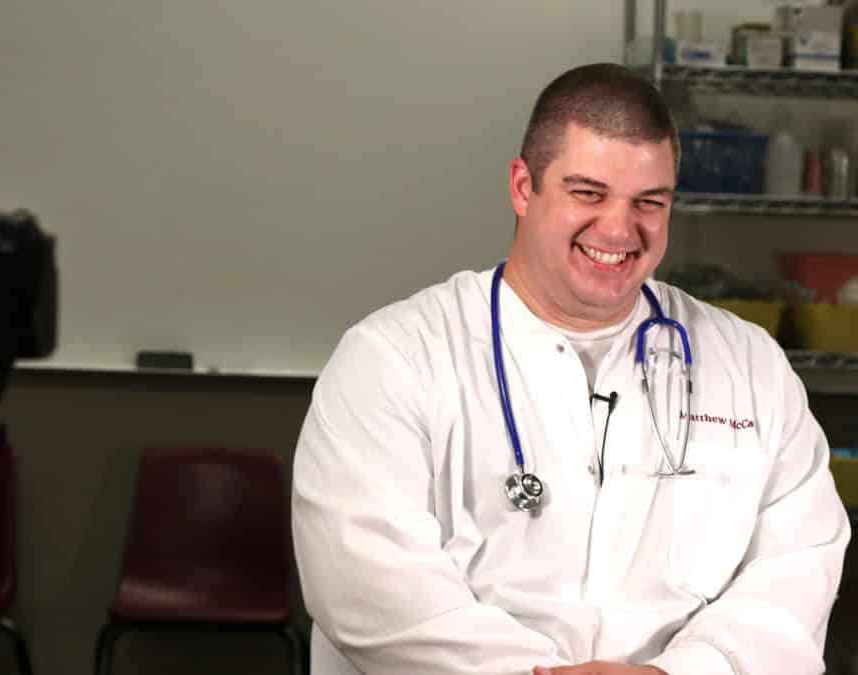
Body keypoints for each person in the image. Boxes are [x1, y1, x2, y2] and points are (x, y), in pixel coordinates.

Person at [291, 62, 849, 675]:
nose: (619, 228)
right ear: (522, 187)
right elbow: (366, 582)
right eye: (588, 193)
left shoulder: (751, 365)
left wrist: (684, 671)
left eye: (649, 202)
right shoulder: (393, 359)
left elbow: (800, 562)